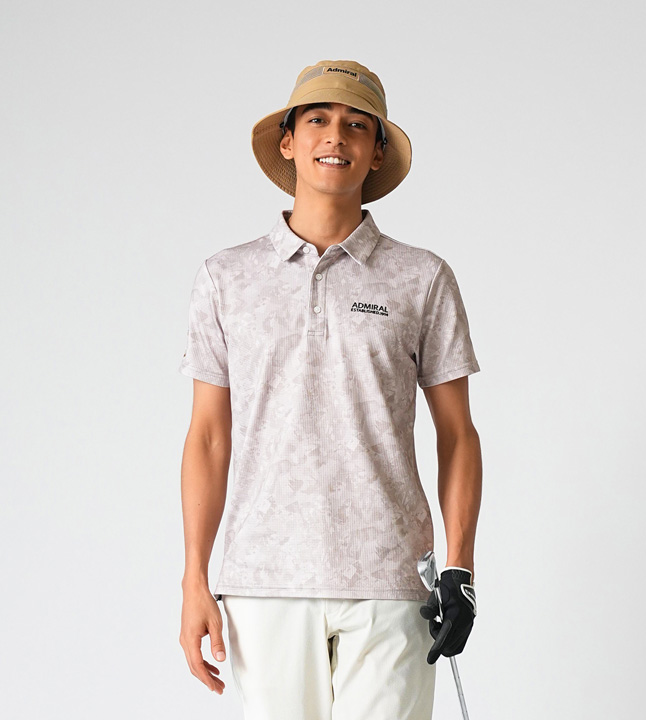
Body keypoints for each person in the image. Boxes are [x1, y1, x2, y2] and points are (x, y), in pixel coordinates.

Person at [177, 59, 483, 720]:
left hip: (392, 580)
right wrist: (193, 576)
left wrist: (460, 568)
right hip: (264, 581)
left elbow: (458, 433)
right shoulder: (226, 278)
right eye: (318, 119)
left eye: (357, 125)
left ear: (376, 153)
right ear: (288, 141)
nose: (335, 136)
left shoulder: (422, 277)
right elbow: (208, 437)